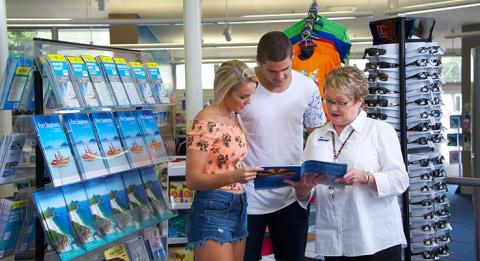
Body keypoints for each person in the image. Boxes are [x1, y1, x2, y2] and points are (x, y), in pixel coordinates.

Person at [285, 66, 409, 261]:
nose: (333, 108)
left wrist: (365, 177)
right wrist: (303, 190)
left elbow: (400, 181)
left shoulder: (379, 131)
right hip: (333, 240)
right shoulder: (316, 137)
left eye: (341, 103)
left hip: (374, 238)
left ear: (359, 100)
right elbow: (307, 190)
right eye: (329, 101)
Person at [241, 31, 327, 261]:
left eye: (285, 69)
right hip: (248, 197)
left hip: (293, 194)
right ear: (258, 61)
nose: (280, 77)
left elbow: (318, 134)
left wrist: (316, 174)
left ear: (292, 59)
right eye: (271, 71)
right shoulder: (243, 87)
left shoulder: (307, 87)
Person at [185, 60, 263, 261]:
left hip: (239, 204)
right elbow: (192, 179)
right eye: (243, 96)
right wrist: (232, 176)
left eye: (251, 95)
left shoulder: (234, 117)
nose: (249, 102)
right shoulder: (205, 122)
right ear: (225, 91)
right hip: (213, 206)